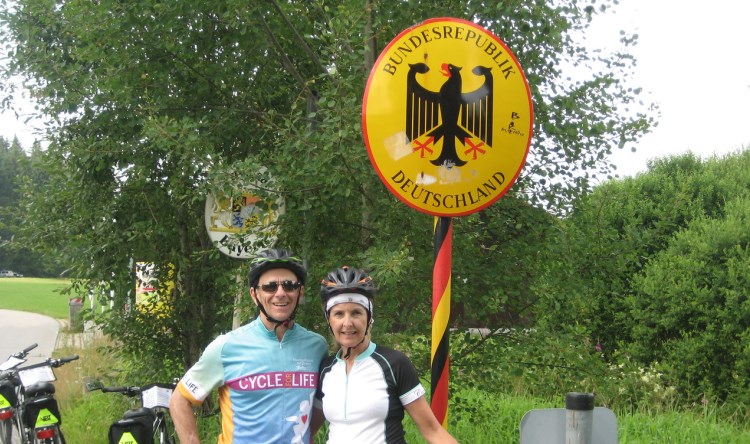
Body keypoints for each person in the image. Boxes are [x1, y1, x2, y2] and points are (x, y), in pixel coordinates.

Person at [170, 248, 328, 444]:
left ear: (300, 292)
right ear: (254, 294)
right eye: (270, 287)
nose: (280, 293)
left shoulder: (317, 346)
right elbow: (180, 399)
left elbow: (321, 403)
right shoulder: (227, 347)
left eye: (289, 285)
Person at [313, 266, 459, 444]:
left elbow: (433, 431)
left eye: (356, 313)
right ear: (329, 320)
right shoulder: (326, 369)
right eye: (338, 314)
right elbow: (307, 431)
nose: (347, 323)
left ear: (369, 317)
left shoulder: (394, 363)